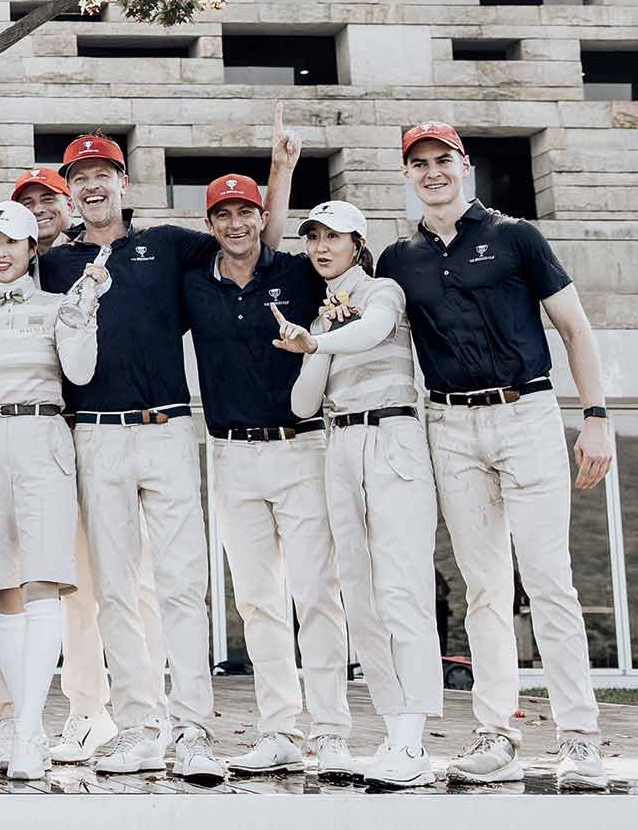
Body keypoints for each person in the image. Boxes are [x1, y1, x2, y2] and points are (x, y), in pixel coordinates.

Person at [37, 113, 297, 784]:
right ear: (69, 192)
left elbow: (252, 245)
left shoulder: (173, 246)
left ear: (124, 183)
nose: (91, 187)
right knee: (118, 592)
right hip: (97, 433)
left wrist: (280, 173)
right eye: (80, 179)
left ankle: (193, 730)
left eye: (102, 175)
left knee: (183, 585)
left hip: (169, 429)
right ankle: (136, 726)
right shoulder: (55, 261)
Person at [377, 122, 612, 790]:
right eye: (418, 163)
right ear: (407, 174)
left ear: (464, 165)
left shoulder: (516, 237)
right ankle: (497, 733)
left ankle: (580, 739)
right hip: (451, 424)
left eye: (442, 160)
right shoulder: (398, 259)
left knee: (548, 579)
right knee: (484, 588)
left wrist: (594, 416)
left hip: (527, 413)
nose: (431, 172)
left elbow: (574, 328)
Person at [180, 175, 353, 778]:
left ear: (262, 218)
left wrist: (285, 166)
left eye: (245, 213)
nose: (235, 224)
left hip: (300, 448)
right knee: (256, 601)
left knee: (316, 594)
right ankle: (279, 728)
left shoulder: (300, 273)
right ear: (211, 225)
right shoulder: (194, 283)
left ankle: (330, 730)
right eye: (223, 215)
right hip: (230, 453)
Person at [272, 200, 442, 788]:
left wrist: (319, 344)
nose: (320, 247)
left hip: (391, 435)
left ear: (356, 244)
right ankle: (396, 733)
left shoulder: (381, 291)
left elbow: (373, 331)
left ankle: (415, 742)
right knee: (362, 595)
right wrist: (311, 342)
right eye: (313, 237)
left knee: (403, 589)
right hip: (338, 445)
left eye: (333, 237)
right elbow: (300, 405)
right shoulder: (321, 321)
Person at [12, 163, 162, 766]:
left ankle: (153, 708)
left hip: (110, 430)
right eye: (29, 202)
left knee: (134, 578)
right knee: (74, 581)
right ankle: (86, 710)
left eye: (48, 198)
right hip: (53, 439)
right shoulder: (28, 267)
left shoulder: (98, 256)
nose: (41, 208)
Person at [0, 203, 109, 779]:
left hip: (44, 433)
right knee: (2, 589)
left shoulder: (57, 305)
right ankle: (24, 724)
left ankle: (28, 729)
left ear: (31, 248)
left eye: (12, 242)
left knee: (43, 583)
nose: (1, 252)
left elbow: (83, 373)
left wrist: (82, 313)